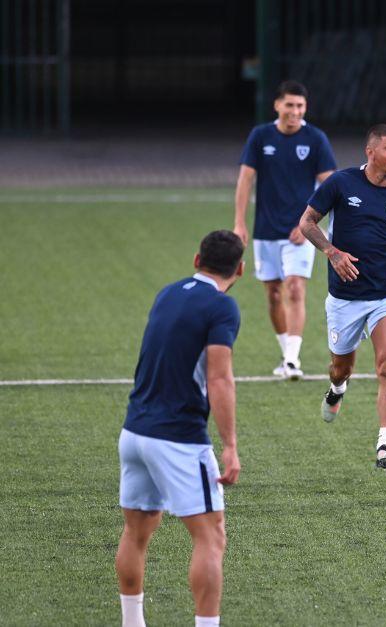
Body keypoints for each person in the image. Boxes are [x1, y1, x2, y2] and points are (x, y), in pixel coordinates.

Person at [116, 230, 245, 627]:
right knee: (210, 536)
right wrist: (230, 445)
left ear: (196, 260)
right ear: (240, 270)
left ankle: (132, 623)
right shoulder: (222, 307)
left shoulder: (167, 293)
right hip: (178, 438)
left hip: (134, 432)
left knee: (136, 532)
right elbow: (219, 378)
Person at [297, 124, 386, 469]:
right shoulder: (341, 183)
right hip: (345, 297)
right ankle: (337, 389)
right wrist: (332, 252)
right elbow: (306, 222)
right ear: (371, 152)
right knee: (341, 368)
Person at [234, 79, 336, 380]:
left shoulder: (315, 138)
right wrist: (239, 222)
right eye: (289, 105)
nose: (294, 111)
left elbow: (330, 186)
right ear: (277, 105)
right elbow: (245, 180)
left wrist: (309, 224)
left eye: (300, 106)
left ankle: (292, 361)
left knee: (294, 287)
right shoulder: (260, 136)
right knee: (274, 295)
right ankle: (286, 353)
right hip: (265, 230)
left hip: (299, 232)